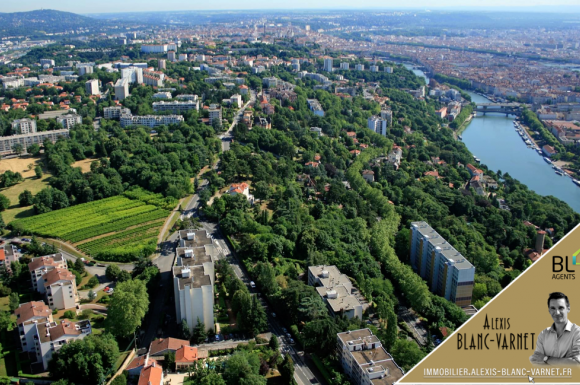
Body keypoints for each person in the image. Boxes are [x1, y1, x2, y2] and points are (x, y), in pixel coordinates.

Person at [530, 292, 580, 366]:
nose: (557, 312)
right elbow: (536, 363)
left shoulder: (577, 333)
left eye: (561, 308)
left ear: (568, 308)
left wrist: (546, 359)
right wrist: (565, 361)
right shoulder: (543, 334)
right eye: (553, 308)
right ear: (549, 310)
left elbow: (576, 365)